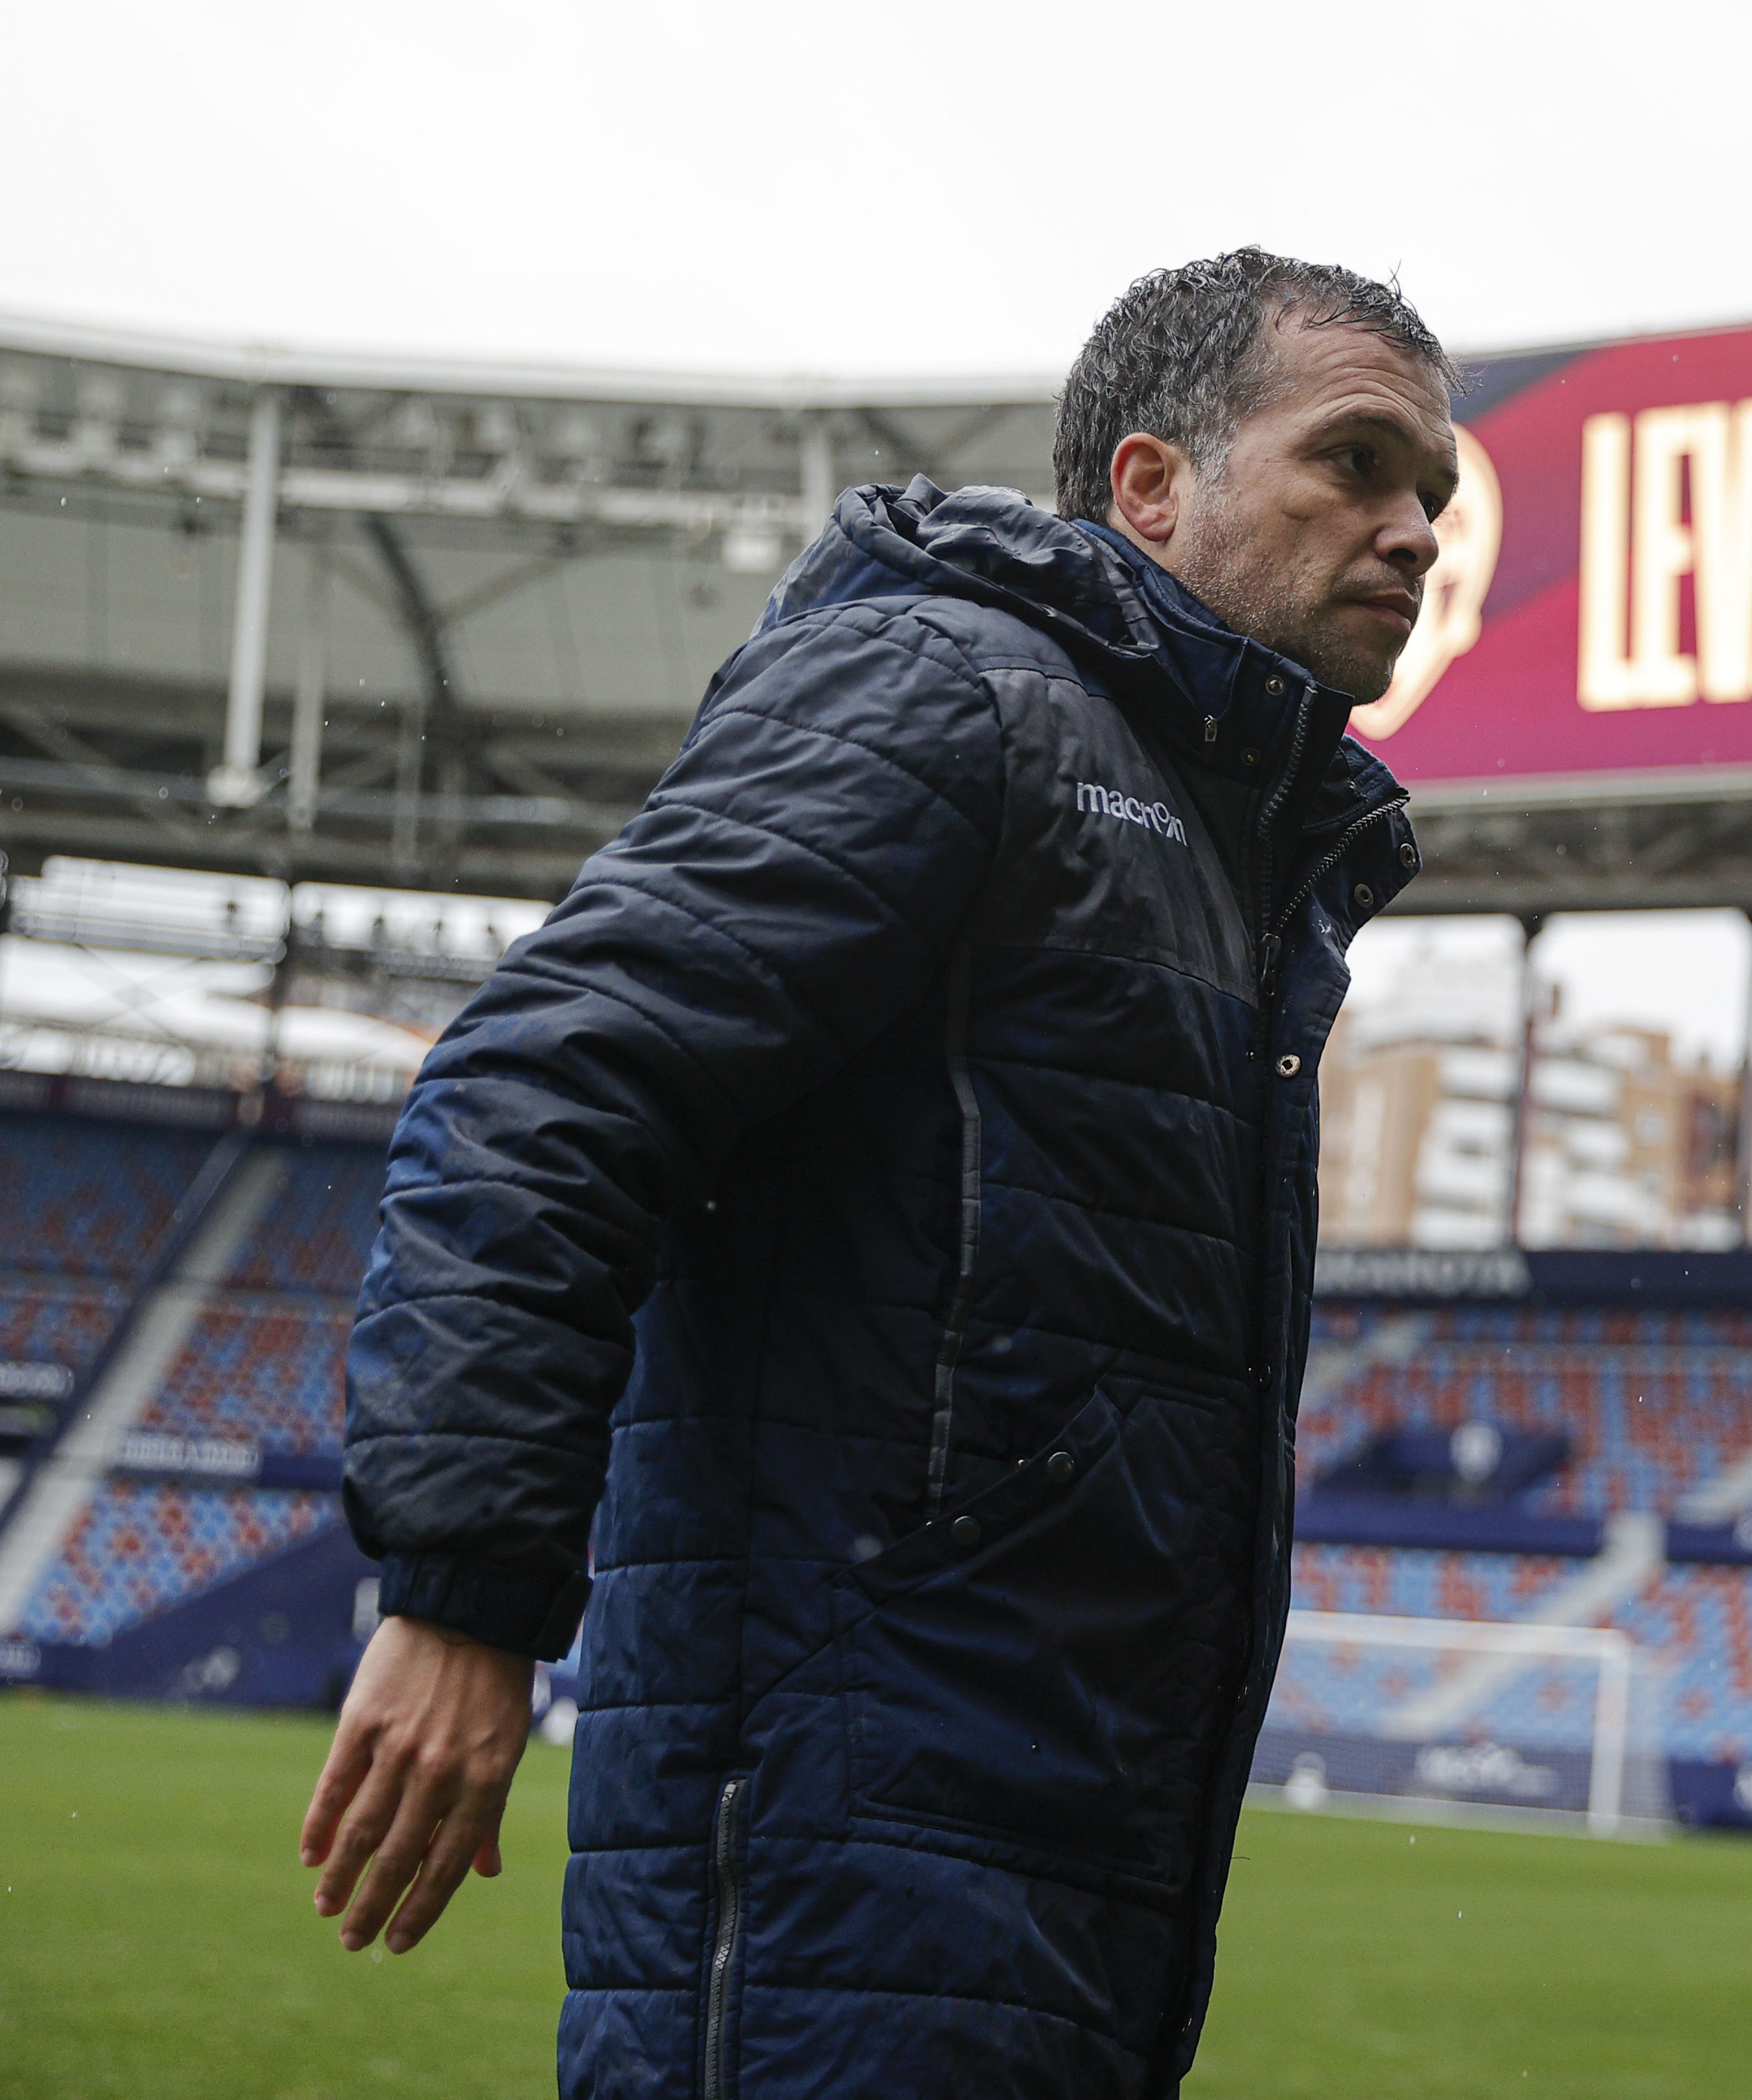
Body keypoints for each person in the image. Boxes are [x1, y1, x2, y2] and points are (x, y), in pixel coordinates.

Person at [299, 248, 1450, 2097]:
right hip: (841, 1832)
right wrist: (465, 1591)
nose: (1415, 530)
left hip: (1066, 1859)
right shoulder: (951, 695)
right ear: (1154, 484)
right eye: (1359, 463)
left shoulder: (1233, 851)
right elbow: (552, 1076)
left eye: (1432, 492)